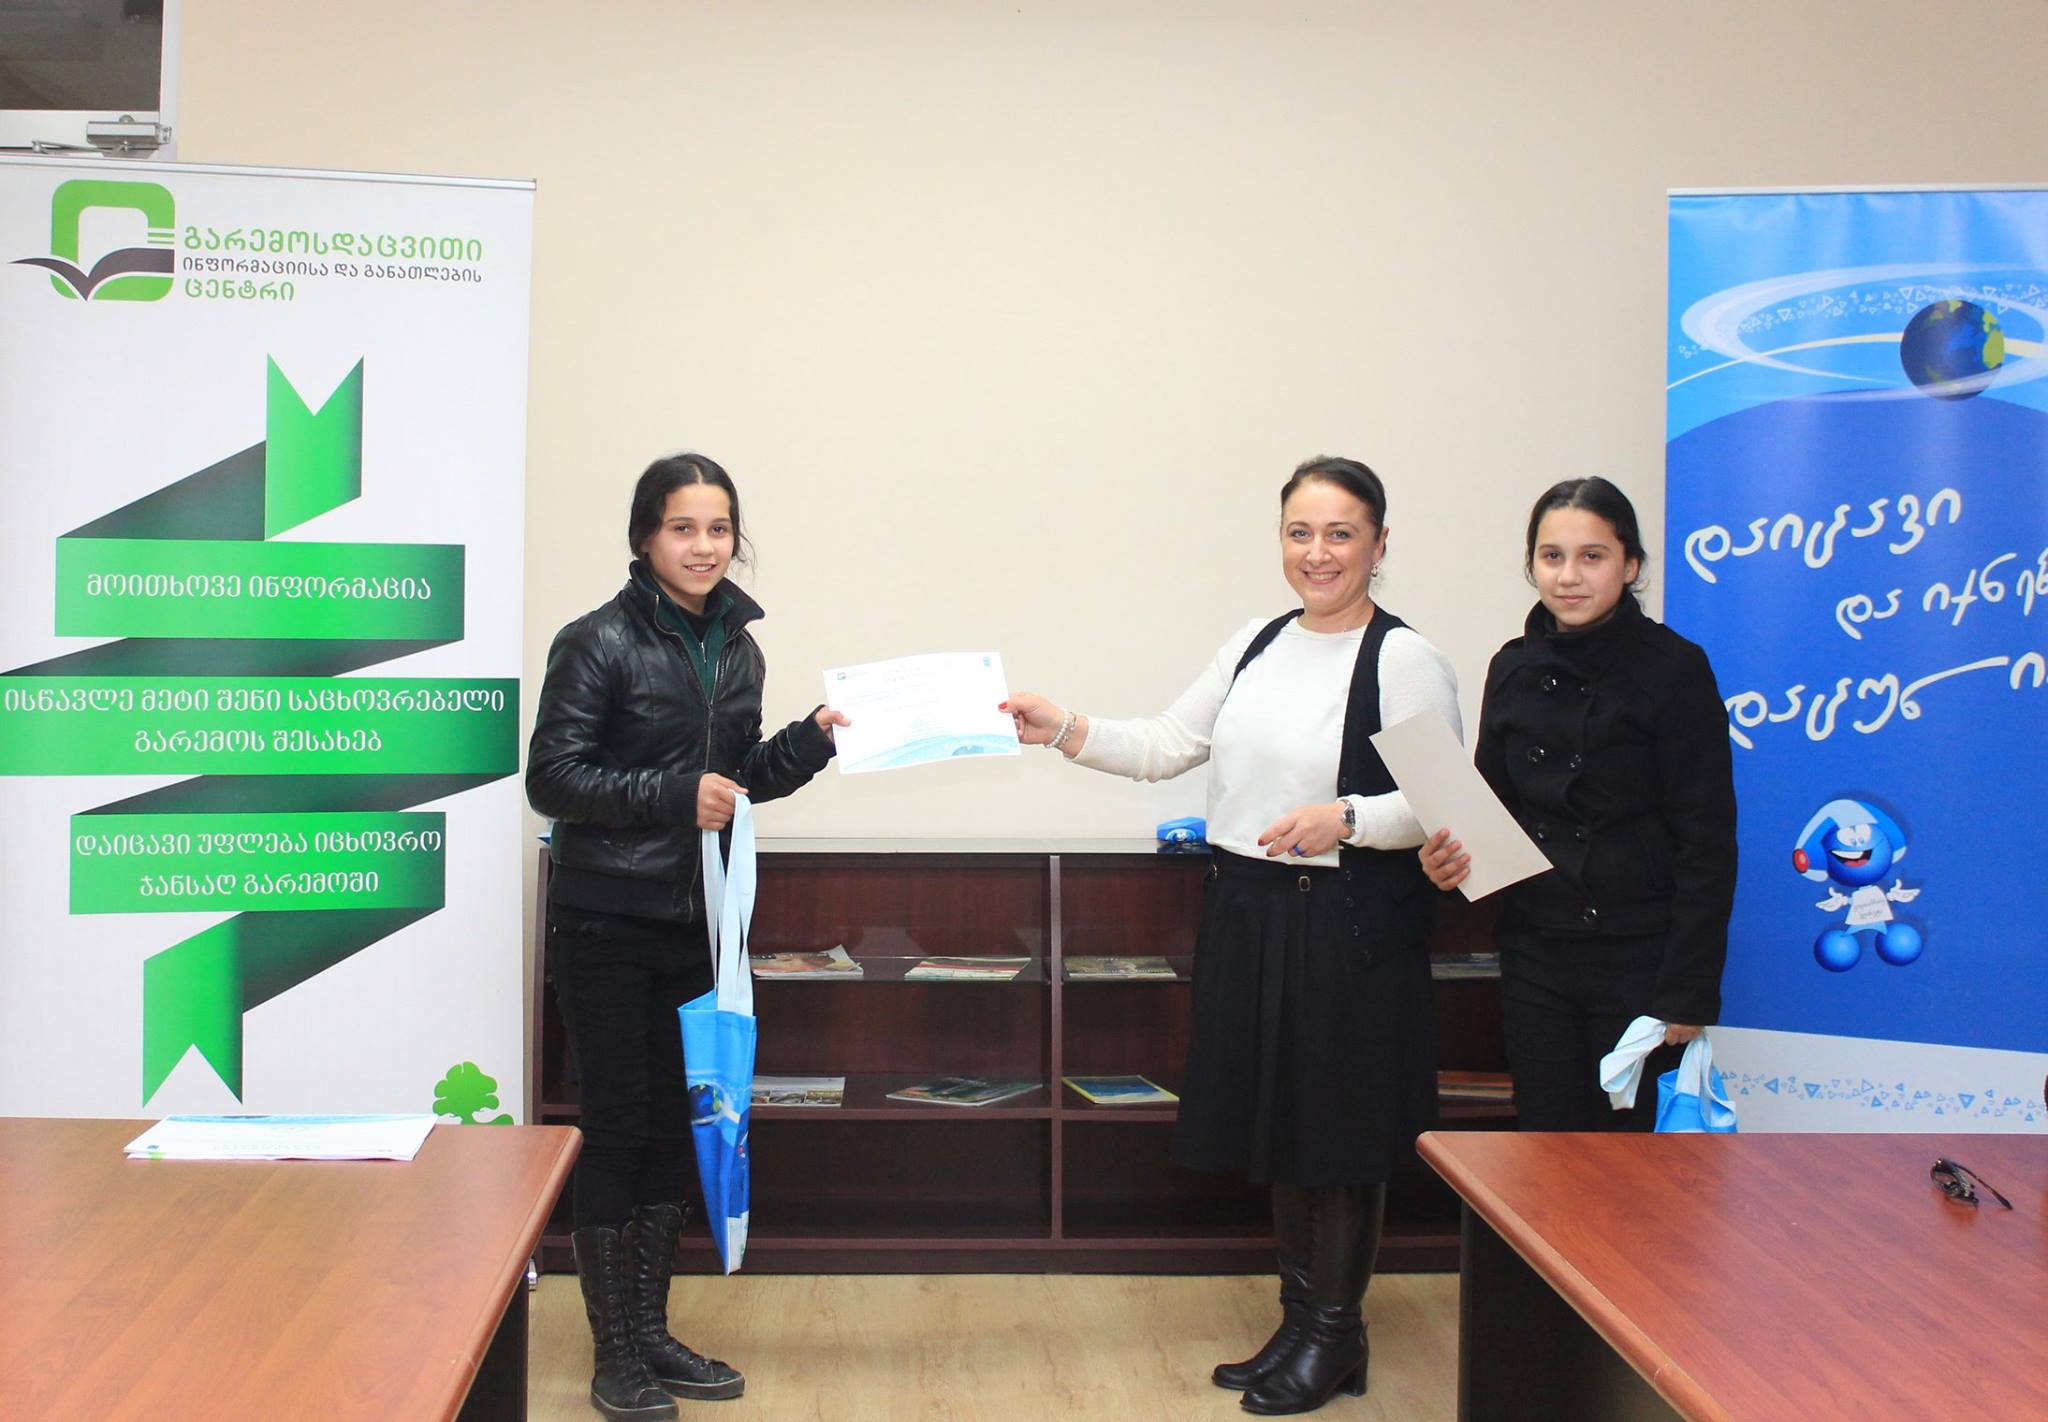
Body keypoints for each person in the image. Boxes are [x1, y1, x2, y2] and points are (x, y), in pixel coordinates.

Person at [1007, 457, 1458, 1417]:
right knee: (1283, 1124)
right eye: (1300, 532)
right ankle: (1303, 1326)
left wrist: (1346, 817)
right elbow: (1166, 746)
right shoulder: (1256, 642)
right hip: (1250, 912)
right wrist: (1064, 727)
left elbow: (1440, 804)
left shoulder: (1403, 658)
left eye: (1340, 534)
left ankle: (1335, 1331)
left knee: (1338, 1132)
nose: (1317, 553)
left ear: (1380, 544)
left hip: (1345, 923)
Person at [528, 452, 847, 1420]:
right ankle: (614, 1356)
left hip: (696, 922)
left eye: (718, 529)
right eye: (683, 528)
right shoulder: (596, 641)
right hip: (605, 918)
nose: (704, 546)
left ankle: (652, 1332)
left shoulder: (739, 650)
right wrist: (674, 795)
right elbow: (553, 777)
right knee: (619, 1128)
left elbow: (739, 778)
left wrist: (813, 739)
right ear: (645, 537)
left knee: (678, 1124)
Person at [1419, 477, 1735, 1132]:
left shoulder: (1675, 668)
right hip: (1537, 953)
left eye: (1592, 556)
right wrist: (1445, 864)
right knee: (1545, 1146)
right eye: (1551, 556)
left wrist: (1688, 990)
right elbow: (1491, 813)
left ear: (1631, 565)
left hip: (1640, 960)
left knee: (1630, 1164)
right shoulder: (1512, 667)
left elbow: (1707, 840)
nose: (1568, 576)